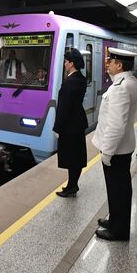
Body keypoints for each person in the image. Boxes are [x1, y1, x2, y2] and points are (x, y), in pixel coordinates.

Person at [91, 47, 137, 241]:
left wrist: (107, 152)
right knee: (118, 189)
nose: (108, 64)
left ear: (119, 65)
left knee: (118, 190)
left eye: (110, 62)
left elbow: (116, 125)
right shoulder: (131, 82)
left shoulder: (121, 87)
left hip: (116, 150)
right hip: (123, 146)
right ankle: (115, 221)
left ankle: (118, 230)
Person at [53, 48, 88, 198]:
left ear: (71, 63)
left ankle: (72, 186)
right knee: (77, 156)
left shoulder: (70, 82)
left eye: (66, 61)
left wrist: (57, 128)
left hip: (70, 125)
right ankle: (72, 184)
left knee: (72, 157)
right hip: (78, 122)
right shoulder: (81, 78)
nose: (64, 64)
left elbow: (64, 108)